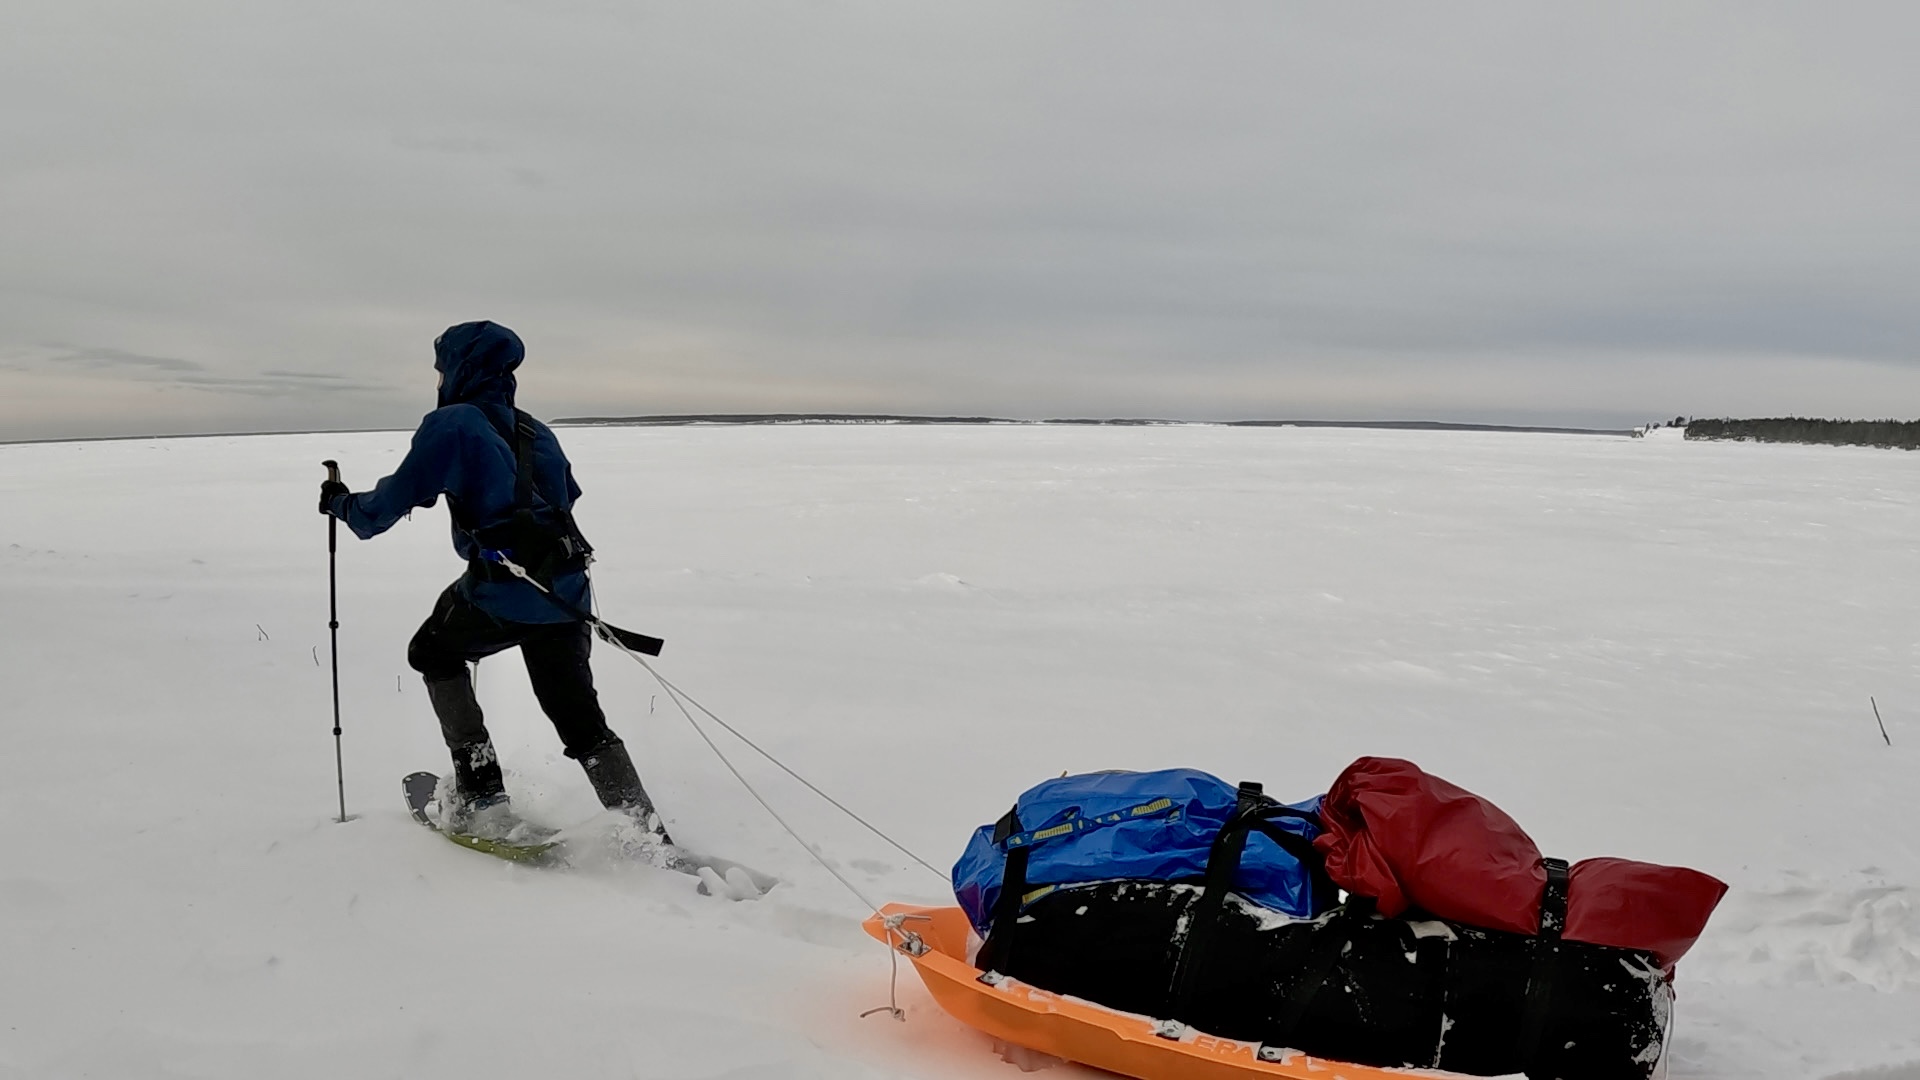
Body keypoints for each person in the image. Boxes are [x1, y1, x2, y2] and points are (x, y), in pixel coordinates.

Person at [319, 320, 661, 840]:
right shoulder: (533, 429)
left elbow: (380, 512)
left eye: (440, 368)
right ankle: (642, 831)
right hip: (567, 594)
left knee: (431, 652)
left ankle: (481, 797)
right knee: (579, 720)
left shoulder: (452, 423)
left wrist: (339, 503)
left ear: (460, 368)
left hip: (504, 592)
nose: (437, 379)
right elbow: (563, 499)